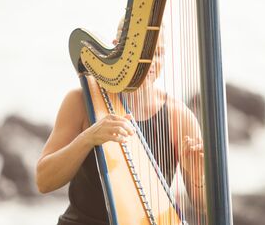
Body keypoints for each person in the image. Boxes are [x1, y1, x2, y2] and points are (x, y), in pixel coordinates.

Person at [36, 21, 205, 225]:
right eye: (144, 53)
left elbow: (201, 205)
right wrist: (88, 138)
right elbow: (43, 181)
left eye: (158, 54)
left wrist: (198, 178)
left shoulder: (179, 116)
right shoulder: (80, 101)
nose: (151, 63)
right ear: (121, 50)